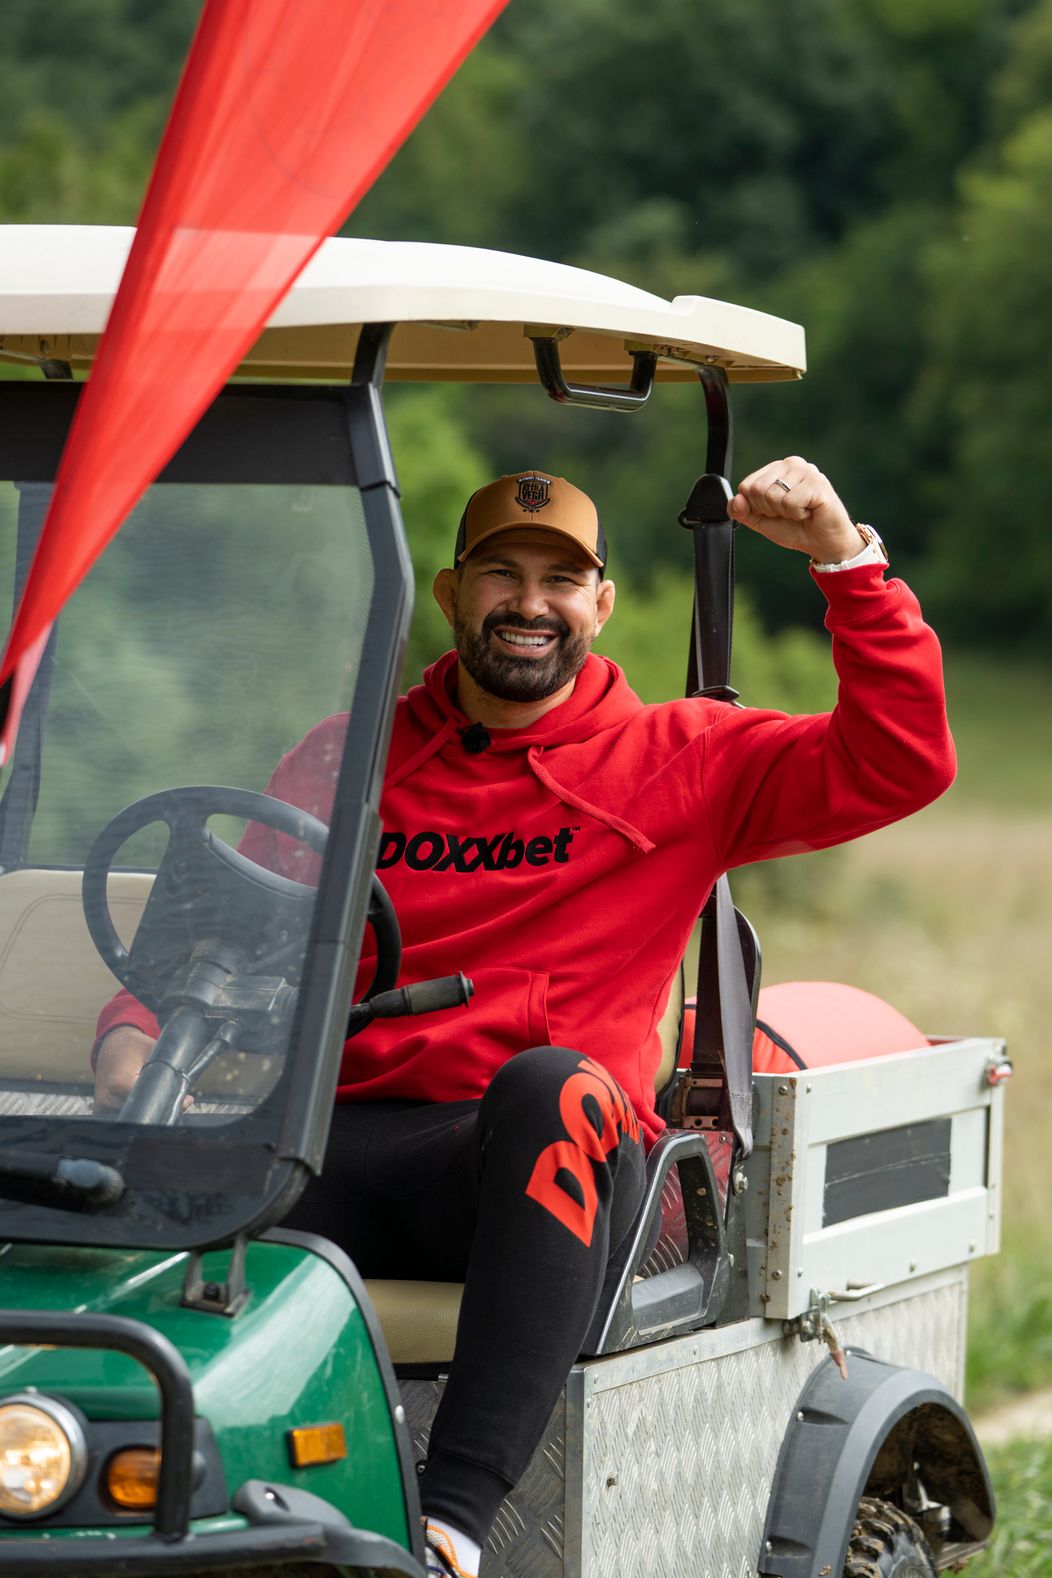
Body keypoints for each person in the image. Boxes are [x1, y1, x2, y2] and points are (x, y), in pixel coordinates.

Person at [93, 458, 955, 1578]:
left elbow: (900, 761)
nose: (530, 603)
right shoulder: (349, 753)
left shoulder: (685, 756)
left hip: (534, 1165)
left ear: (601, 603)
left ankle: (452, 1525)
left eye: (561, 580)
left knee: (551, 1084)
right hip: (327, 1142)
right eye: (502, 573)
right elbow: (224, 929)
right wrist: (130, 1031)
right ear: (452, 593)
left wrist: (845, 561)